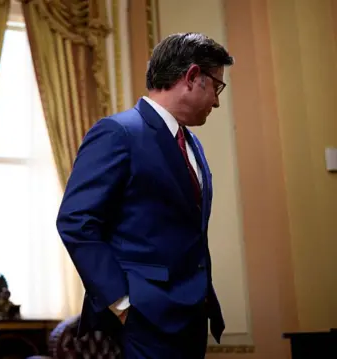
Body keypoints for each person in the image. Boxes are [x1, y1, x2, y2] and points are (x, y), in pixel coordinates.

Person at [56, 32, 234, 358]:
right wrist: (123, 305)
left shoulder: (193, 144)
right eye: (217, 86)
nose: (218, 101)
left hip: (192, 317)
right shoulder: (118, 132)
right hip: (144, 319)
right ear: (193, 77)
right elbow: (76, 221)